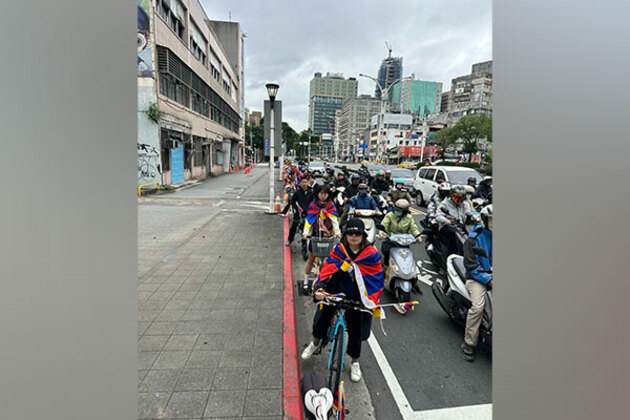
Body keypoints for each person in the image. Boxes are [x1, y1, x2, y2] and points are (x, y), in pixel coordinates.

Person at [301, 218, 385, 383]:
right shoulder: (339, 250)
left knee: (355, 329)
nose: (354, 236)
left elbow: (376, 279)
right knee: (323, 316)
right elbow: (326, 270)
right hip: (336, 292)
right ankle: (315, 342)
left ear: (363, 236)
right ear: (345, 235)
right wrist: (319, 289)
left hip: (358, 298)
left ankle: (354, 361)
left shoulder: (372, 254)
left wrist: (370, 300)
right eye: (350, 233)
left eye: (357, 233)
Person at [378, 199, 423, 311]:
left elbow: (413, 227)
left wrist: (417, 236)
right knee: (387, 256)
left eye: (400, 210)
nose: (397, 212)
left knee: (410, 260)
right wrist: (383, 234)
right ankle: (385, 274)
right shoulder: (390, 215)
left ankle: (414, 281)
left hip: (404, 243)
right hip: (390, 242)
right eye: (396, 209)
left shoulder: (408, 218)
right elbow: (384, 225)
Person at [461, 205, 493, 362]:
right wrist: (489, 279)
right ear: (485, 220)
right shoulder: (474, 238)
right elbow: (471, 266)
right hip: (477, 278)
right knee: (478, 307)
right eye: (492, 221)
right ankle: (469, 343)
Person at [302, 187, 342, 285]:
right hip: (315, 235)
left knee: (327, 261)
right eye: (321, 193)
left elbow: (334, 220)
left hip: (327, 235)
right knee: (310, 259)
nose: (323, 196)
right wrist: (305, 232)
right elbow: (309, 220)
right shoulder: (313, 205)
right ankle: (306, 281)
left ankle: (323, 279)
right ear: (317, 194)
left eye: (325, 193)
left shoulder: (331, 205)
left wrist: (337, 232)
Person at [435, 185, 472, 256]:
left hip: (461, 226)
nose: (459, 200)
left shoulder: (465, 204)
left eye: (461, 198)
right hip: (447, 226)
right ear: (451, 195)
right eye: (456, 197)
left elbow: (469, 213)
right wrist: (446, 220)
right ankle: (450, 255)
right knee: (453, 234)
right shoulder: (445, 203)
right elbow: (438, 216)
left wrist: (472, 217)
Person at [282, 177, 313, 260]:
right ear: (300, 183)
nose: (304, 184)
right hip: (299, 212)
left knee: (308, 229)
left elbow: (313, 202)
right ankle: (290, 239)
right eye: (302, 182)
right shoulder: (297, 193)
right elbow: (292, 202)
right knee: (294, 226)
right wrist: (297, 208)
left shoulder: (310, 192)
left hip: (308, 213)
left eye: (305, 182)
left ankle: (307, 244)